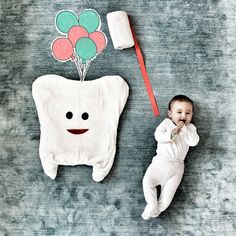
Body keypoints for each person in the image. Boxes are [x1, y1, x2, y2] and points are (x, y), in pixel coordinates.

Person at [142, 95, 200, 220]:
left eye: (188, 113)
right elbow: (158, 136)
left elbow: (194, 141)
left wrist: (184, 130)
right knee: (147, 182)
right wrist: (171, 133)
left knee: (168, 195)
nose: (183, 116)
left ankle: (157, 210)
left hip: (177, 168)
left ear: (192, 115)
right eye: (179, 112)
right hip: (160, 163)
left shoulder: (190, 128)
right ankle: (151, 204)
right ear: (170, 114)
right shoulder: (166, 124)